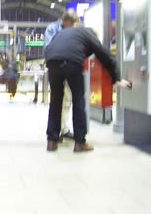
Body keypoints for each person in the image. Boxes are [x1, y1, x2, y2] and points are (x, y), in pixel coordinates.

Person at [44, 15, 131, 152]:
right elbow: (105, 56)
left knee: (55, 101)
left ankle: (51, 141)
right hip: (71, 62)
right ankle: (80, 142)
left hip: (52, 61)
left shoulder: (67, 33)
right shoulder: (89, 34)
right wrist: (116, 78)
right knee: (78, 100)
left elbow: (51, 47)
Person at [44, 11, 78, 140]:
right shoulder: (52, 29)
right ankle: (54, 132)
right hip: (57, 68)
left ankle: (64, 128)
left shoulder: (72, 31)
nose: (73, 26)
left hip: (70, 67)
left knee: (68, 100)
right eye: (72, 23)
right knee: (57, 101)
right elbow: (48, 48)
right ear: (66, 21)